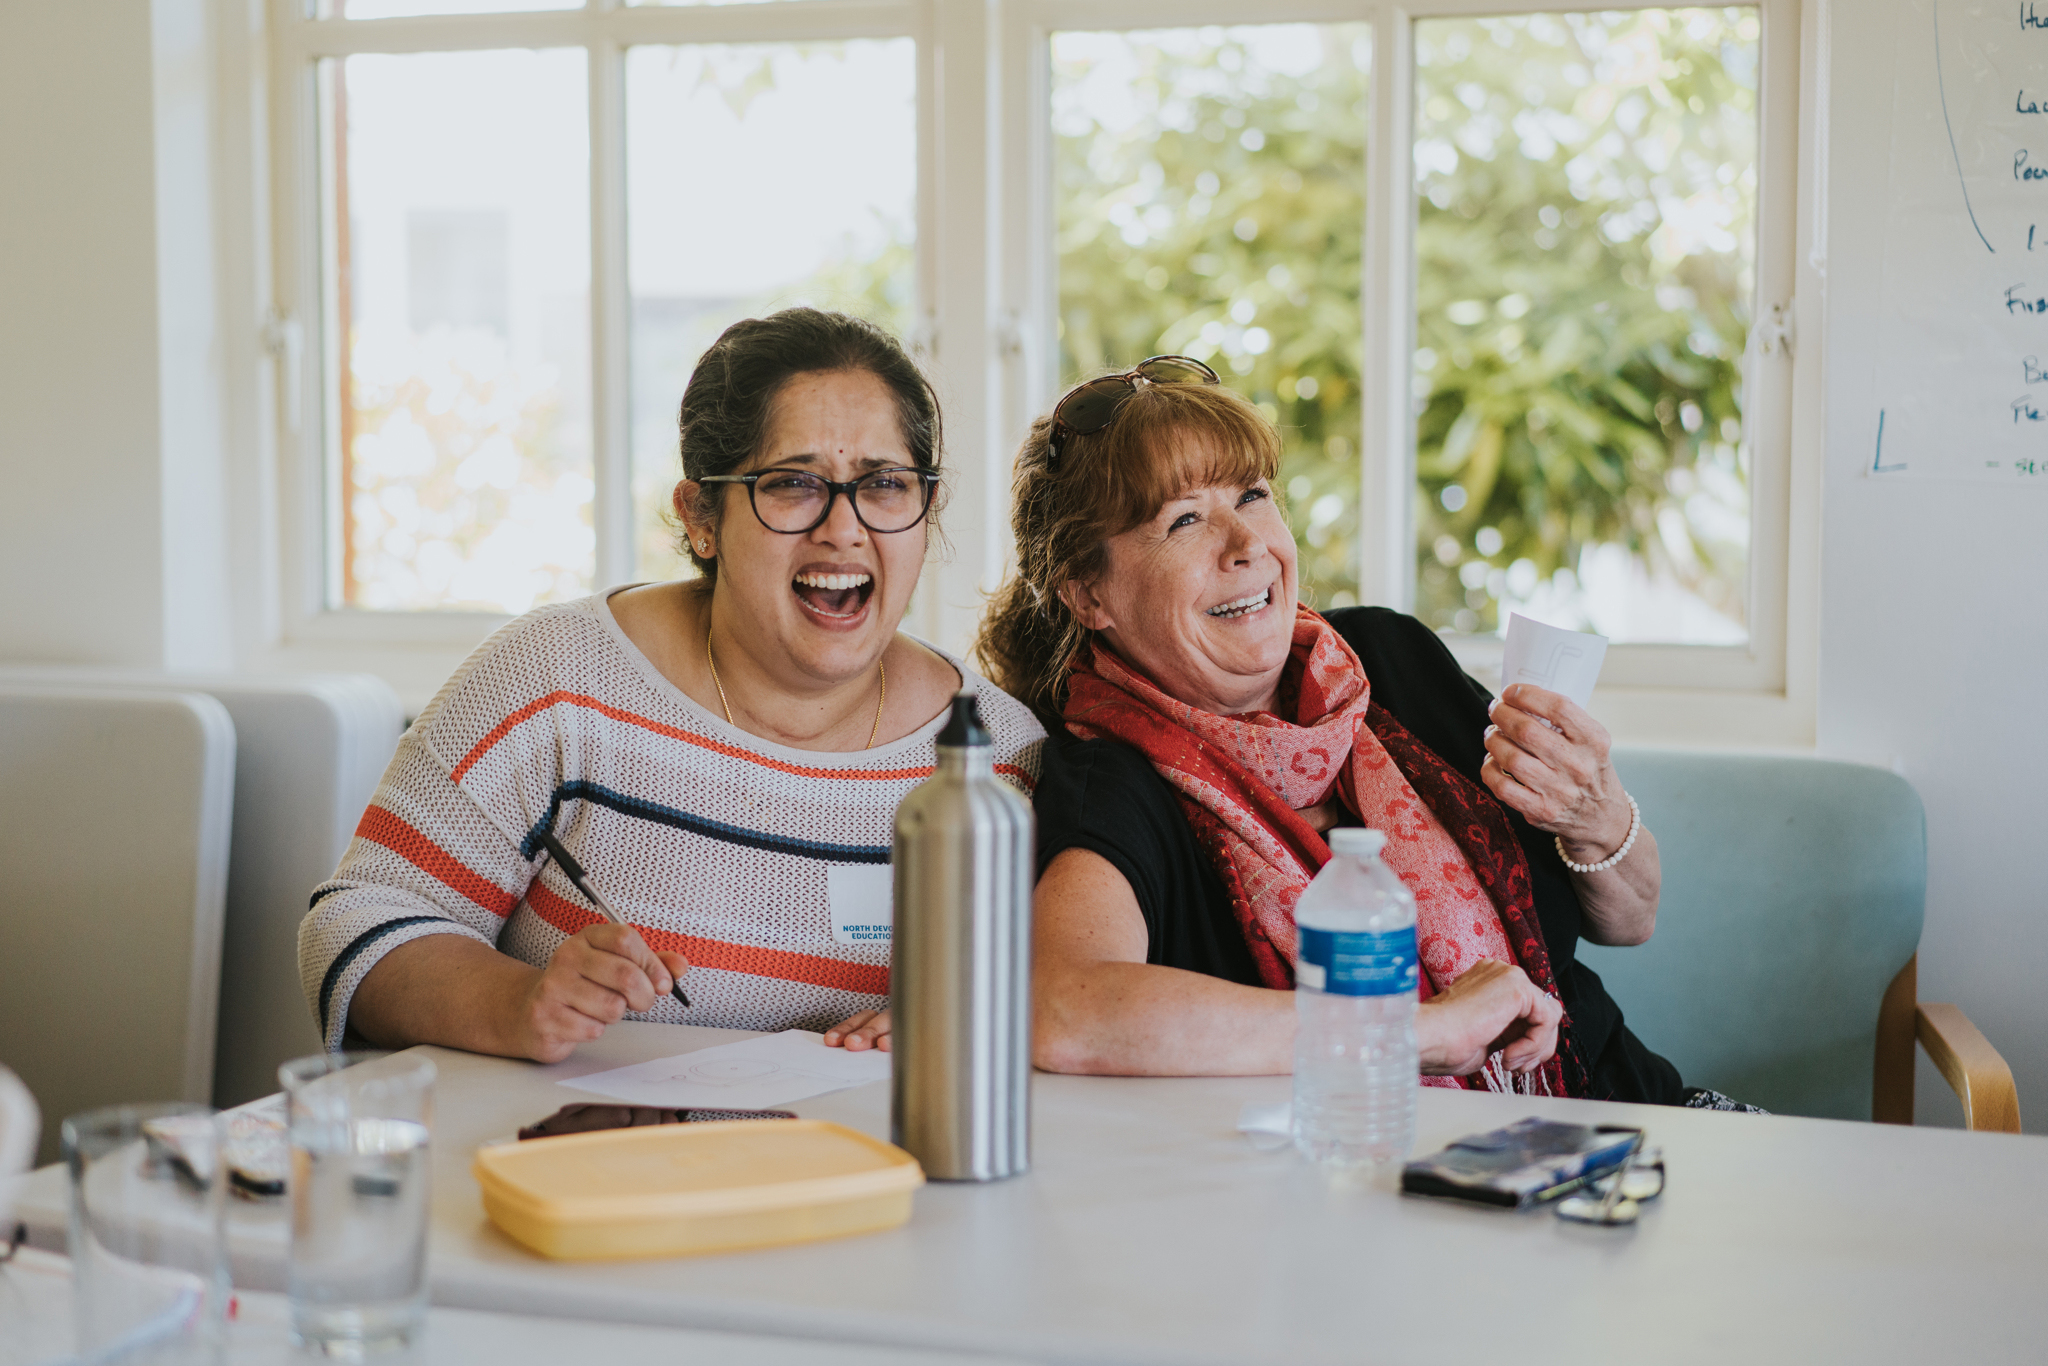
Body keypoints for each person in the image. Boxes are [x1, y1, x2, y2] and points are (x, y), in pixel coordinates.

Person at [300, 309, 1043, 1064]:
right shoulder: (556, 680)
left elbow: (1061, 1007)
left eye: (884, 484)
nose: (844, 528)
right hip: (582, 1167)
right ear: (701, 518)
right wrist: (514, 1003)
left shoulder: (1004, 766)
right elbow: (355, 926)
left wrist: (979, 1018)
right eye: (793, 483)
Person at [977, 357, 1708, 1103]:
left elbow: (1632, 919)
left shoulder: (1392, 659)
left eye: (1252, 495)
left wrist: (1595, 816)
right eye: (1183, 520)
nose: (1245, 544)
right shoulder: (1111, 775)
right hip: (1394, 1178)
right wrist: (1415, 1033)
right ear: (1088, 592)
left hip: (1629, 1116)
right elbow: (1070, 1013)